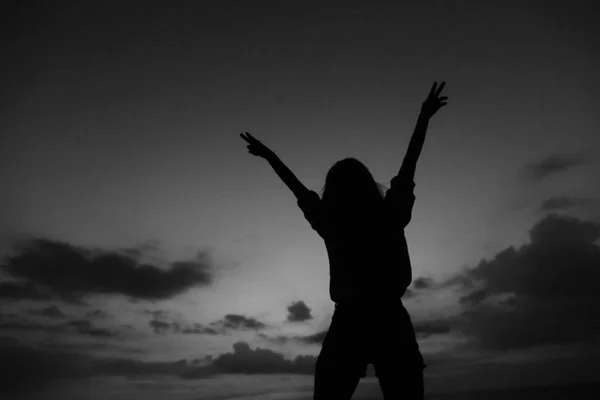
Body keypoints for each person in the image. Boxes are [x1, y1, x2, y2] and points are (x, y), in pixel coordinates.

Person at [240, 82, 448, 400]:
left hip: (351, 321)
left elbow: (298, 188)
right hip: (388, 320)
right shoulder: (388, 214)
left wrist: (270, 156)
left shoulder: (333, 222)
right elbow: (408, 168)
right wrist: (423, 119)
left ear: (332, 191)